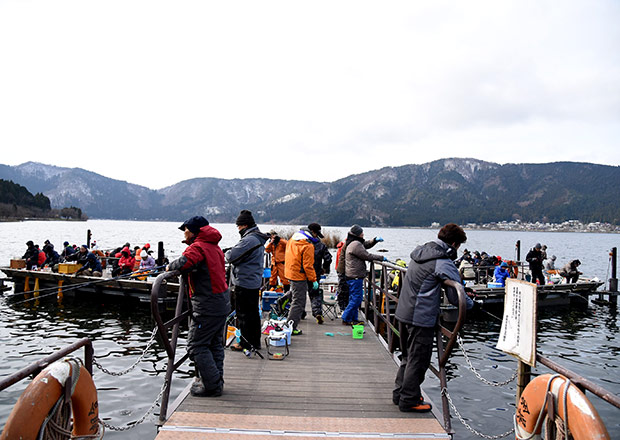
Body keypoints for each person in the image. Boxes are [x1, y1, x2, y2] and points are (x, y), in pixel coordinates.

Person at [393, 223, 475, 413]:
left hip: (403, 312)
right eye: (459, 246)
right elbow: (456, 296)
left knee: (407, 357)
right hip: (420, 317)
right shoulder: (442, 261)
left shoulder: (420, 252)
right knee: (419, 360)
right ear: (454, 244)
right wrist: (473, 305)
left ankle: (399, 394)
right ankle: (409, 400)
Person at [167, 216, 230, 397]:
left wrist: (168, 268)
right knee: (215, 345)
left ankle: (212, 386)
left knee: (196, 346)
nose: (183, 232)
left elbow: (184, 262)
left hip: (207, 304)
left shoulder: (198, 246)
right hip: (221, 301)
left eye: (185, 229)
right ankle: (216, 382)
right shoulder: (213, 245)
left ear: (193, 231)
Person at [225, 210, 268, 351]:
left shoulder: (250, 239)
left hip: (245, 282)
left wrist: (226, 252)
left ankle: (246, 343)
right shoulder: (255, 237)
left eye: (238, 226)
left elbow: (231, 257)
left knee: (244, 315)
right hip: (253, 281)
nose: (237, 229)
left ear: (244, 225)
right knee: (252, 314)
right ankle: (254, 342)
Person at [342, 225, 386, 325]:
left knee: (354, 298)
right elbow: (366, 255)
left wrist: (374, 240)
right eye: (362, 232)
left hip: (352, 275)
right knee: (357, 298)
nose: (363, 234)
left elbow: (365, 245)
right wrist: (381, 257)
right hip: (355, 276)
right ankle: (346, 318)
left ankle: (353, 318)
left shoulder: (354, 242)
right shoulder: (356, 244)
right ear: (358, 234)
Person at [283, 225, 319, 335]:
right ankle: (291, 327)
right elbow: (308, 265)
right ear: (312, 232)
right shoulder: (308, 245)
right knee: (299, 302)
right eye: (317, 234)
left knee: (295, 296)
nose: (317, 236)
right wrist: (313, 280)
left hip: (290, 273)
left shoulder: (292, 240)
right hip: (299, 276)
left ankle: (281, 301)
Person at [307, 223, 332, 324]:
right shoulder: (321, 245)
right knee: (315, 294)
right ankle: (317, 312)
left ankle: (300, 313)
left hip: (301, 273)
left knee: (298, 295)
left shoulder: (302, 243)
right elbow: (328, 258)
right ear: (315, 233)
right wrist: (324, 268)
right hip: (315, 273)